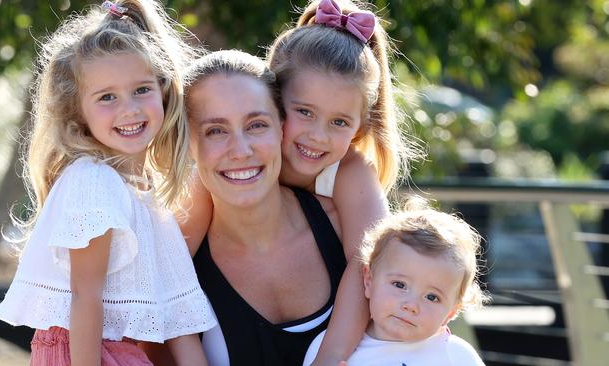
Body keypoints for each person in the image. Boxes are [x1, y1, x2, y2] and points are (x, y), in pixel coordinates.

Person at [176, 0, 419, 363]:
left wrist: (330, 356)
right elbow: (169, 270)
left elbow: (367, 265)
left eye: (338, 122)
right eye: (304, 112)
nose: (317, 137)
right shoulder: (214, 178)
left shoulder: (349, 172)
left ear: (359, 128)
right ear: (274, 101)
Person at [0, 1, 216, 365]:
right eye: (107, 97)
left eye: (141, 89)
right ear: (78, 108)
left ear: (163, 89)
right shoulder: (93, 181)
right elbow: (84, 296)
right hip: (83, 352)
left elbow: (181, 321)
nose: (129, 109)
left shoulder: (147, 195)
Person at [141, 49, 347, 366]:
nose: (240, 150)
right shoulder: (177, 270)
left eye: (256, 125)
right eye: (216, 131)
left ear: (282, 127)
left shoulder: (346, 229)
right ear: (188, 143)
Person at [304, 199, 488, 365]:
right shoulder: (325, 349)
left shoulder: (457, 357)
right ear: (369, 281)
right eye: (400, 285)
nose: (411, 305)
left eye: (432, 297)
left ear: (451, 312)